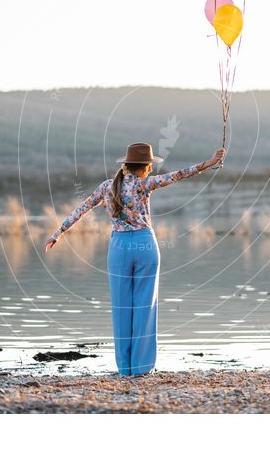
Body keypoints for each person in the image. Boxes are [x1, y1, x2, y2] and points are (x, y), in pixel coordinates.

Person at [43, 142, 226, 376]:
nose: (150, 170)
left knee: (121, 309)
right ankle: (142, 368)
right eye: (149, 166)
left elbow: (82, 209)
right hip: (145, 247)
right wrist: (209, 163)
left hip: (119, 248)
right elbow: (179, 175)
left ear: (127, 164)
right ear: (145, 167)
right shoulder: (145, 184)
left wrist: (58, 233)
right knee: (144, 308)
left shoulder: (107, 187)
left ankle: (125, 369)